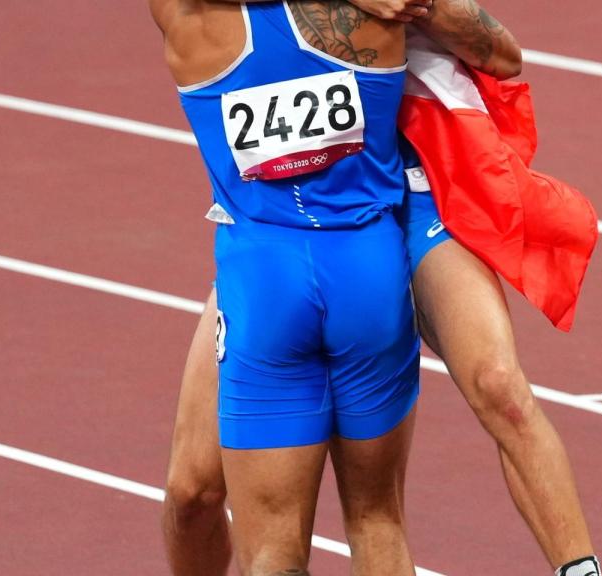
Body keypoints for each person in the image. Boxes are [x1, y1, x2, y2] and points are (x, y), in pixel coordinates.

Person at [155, 1, 602, 576]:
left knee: (495, 386)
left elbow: (504, 56)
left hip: (409, 197)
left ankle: (581, 569)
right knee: (193, 491)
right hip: (282, 241)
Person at [150, 0, 438, 573]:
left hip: (265, 276)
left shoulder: (192, 19)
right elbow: (502, 54)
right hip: (369, 268)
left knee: (274, 551)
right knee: (377, 518)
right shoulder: (375, 11)